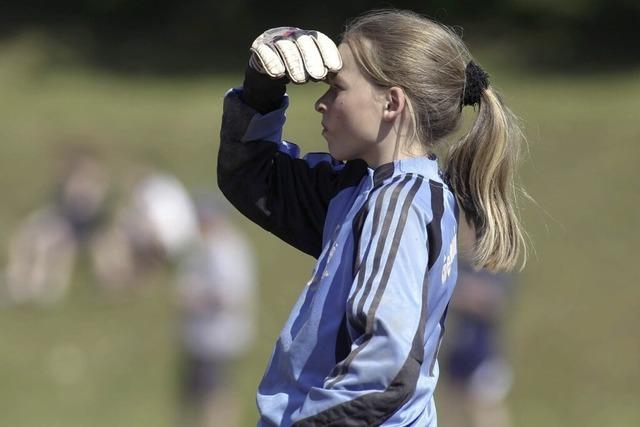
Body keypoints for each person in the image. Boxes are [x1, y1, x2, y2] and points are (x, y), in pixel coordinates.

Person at [217, 9, 526, 426]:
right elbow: (252, 178)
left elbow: (382, 369)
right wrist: (261, 89)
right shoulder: (363, 188)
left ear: (392, 103)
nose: (321, 103)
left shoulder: (398, 203)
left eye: (337, 88)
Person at [175, 193, 257, 427]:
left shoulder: (229, 251)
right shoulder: (201, 247)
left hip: (219, 337)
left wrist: (196, 298)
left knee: (216, 394)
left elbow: (233, 295)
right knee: (191, 394)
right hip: (198, 336)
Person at [440, 220, 517, 427]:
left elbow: (493, 300)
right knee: (451, 409)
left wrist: (460, 293)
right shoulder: (458, 264)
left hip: (484, 352)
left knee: (483, 407)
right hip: (457, 350)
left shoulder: (493, 265)